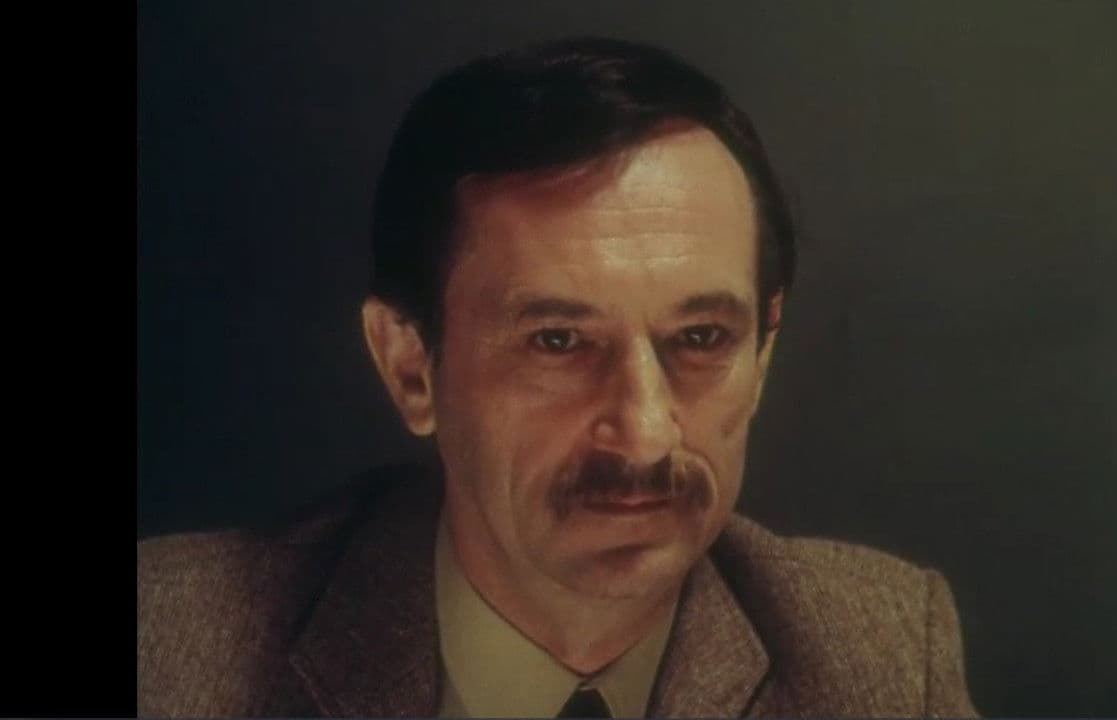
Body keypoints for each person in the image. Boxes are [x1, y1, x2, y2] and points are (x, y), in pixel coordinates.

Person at [137, 36, 979, 718]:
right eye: (557, 342)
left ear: (761, 355)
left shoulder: (882, 656)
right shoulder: (168, 650)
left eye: (699, 338)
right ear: (410, 367)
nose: (644, 434)